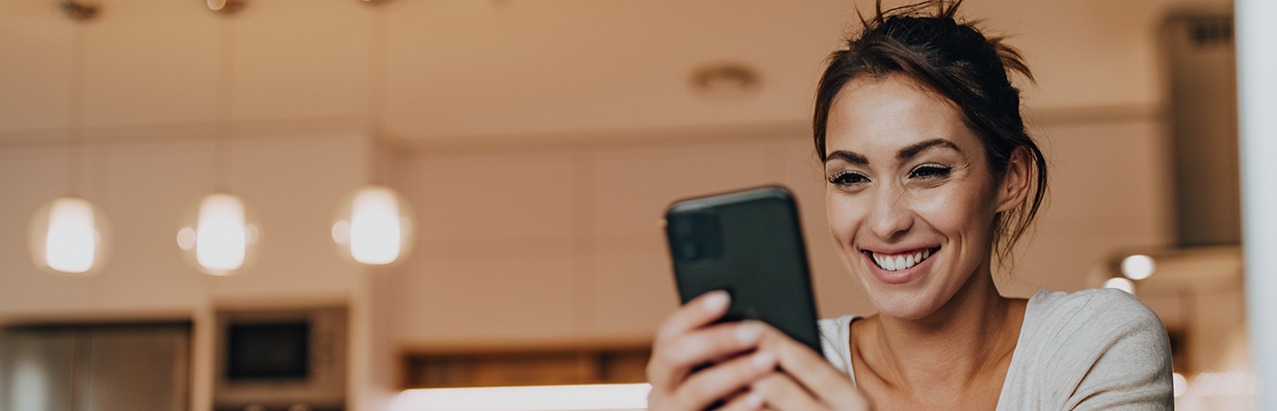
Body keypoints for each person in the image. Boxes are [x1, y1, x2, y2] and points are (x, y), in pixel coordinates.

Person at [645, 1, 1174, 410]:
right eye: (850, 177)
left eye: (927, 171)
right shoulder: (779, 374)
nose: (885, 221)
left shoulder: (1093, 344)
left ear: (1011, 179)